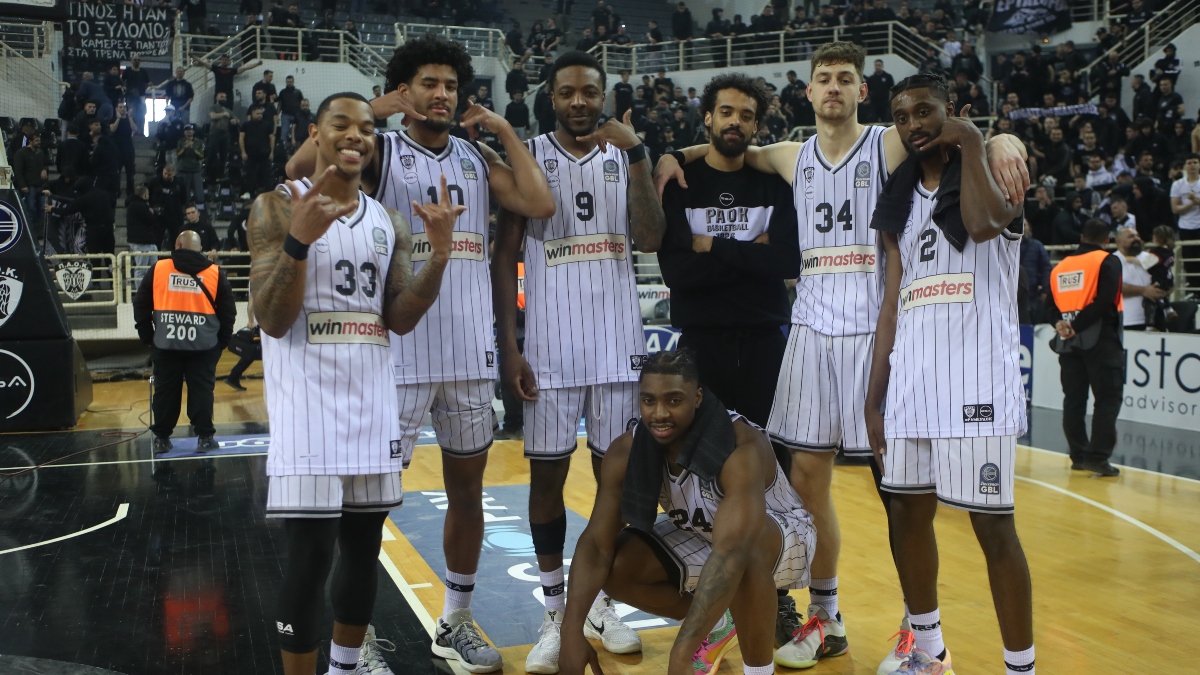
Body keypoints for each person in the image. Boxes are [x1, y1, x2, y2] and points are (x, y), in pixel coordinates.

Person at [655, 42, 1029, 671]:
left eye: (845, 78)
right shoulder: (790, 155)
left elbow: (943, 131)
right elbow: (727, 148)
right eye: (824, 78)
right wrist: (673, 156)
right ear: (808, 91)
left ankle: (918, 630)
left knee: (900, 495)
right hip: (810, 331)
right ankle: (826, 615)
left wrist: (1001, 141)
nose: (833, 86)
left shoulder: (888, 142)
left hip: (877, 331)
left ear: (862, 91)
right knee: (805, 482)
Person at [285, 34, 555, 674]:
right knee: (366, 511)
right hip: (395, 355)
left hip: (467, 355)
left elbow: (538, 201)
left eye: (451, 86)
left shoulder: (476, 156)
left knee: (468, 492)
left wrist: (504, 130)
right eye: (429, 83)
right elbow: (300, 171)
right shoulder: (377, 150)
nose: (442, 95)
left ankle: (455, 619)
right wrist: (369, 111)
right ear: (404, 91)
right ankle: (357, 635)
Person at [249, 91, 462, 675]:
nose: (355, 136)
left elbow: (398, 317)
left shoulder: (388, 221)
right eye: (341, 124)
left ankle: (345, 667)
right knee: (310, 557)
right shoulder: (276, 205)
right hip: (307, 410)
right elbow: (272, 319)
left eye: (367, 128)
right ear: (314, 135)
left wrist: (439, 258)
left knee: (364, 552)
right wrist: (298, 241)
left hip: (372, 407)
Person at [491, 50, 665, 674]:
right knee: (546, 482)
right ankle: (553, 611)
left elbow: (651, 237)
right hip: (549, 352)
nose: (579, 102)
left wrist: (640, 153)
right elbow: (504, 254)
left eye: (589, 91)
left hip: (619, 351)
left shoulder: (626, 155)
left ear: (604, 95)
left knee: (614, 484)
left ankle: (598, 604)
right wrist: (510, 346)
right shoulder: (530, 156)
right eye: (567, 92)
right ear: (551, 97)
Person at [864, 73, 1035, 675]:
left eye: (925, 111)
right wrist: (874, 399)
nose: (913, 124)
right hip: (912, 384)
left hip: (977, 382)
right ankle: (929, 650)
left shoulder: (996, 173)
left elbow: (986, 224)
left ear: (952, 110)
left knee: (993, 527)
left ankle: (1020, 667)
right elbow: (891, 305)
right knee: (907, 515)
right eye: (902, 116)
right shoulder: (900, 201)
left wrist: (973, 138)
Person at [557, 349, 815, 675]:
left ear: (697, 398)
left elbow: (733, 551)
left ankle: (759, 671)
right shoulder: (627, 450)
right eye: (648, 401)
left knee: (744, 553)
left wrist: (683, 652)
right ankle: (719, 622)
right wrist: (570, 631)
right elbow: (596, 543)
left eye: (674, 400)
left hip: (782, 536)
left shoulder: (739, 446)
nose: (659, 413)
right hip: (705, 530)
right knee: (618, 566)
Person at [658, 72, 799, 433]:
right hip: (700, 343)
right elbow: (678, 273)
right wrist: (754, 253)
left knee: (771, 455)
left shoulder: (777, 184)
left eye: (746, 116)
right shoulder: (680, 185)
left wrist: (714, 245)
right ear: (708, 117)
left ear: (755, 127)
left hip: (765, 342)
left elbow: (786, 261)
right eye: (726, 112)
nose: (736, 121)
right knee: (700, 452)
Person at [134, 230, 236, 455]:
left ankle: (161, 439)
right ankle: (205, 438)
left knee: (165, 391)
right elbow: (228, 312)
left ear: (177, 245)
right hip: (204, 346)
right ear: (200, 249)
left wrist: (148, 336)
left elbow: (140, 303)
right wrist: (221, 342)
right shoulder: (215, 273)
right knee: (202, 391)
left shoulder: (159, 268)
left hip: (166, 343)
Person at [1049, 218, 1125, 476]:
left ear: (1081, 238)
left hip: (1067, 342)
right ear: (1107, 240)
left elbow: (1049, 305)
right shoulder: (1108, 260)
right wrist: (1077, 325)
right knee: (1107, 398)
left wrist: (1061, 325)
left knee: (1073, 400)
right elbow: (1105, 300)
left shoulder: (1060, 266)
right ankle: (1098, 457)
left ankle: (1079, 455)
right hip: (1100, 338)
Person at [1114, 226, 1165, 331]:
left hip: (1156, 318)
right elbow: (1113, 287)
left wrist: (1164, 290)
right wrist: (1144, 291)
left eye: (1137, 236)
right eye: (1131, 236)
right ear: (1119, 242)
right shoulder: (1112, 260)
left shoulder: (1150, 257)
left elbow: (1167, 278)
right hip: (1128, 319)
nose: (1136, 238)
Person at [1170, 153, 1200, 284]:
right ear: (1185, 167)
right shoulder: (1178, 185)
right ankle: (1192, 287)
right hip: (1185, 226)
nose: (1192, 165)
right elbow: (1175, 208)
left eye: (1195, 162)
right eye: (1189, 163)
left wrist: (1195, 200)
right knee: (1188, 260)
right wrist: (1191, 204)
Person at [1139, 225, 1176, 330]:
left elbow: (1146, 264)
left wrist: (1133, 259)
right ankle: (1169, 309)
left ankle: (1150, 324)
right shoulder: (1170, 251)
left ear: (1155, 237)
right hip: (1168, 279)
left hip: (1159, 279)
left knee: (1150, 298)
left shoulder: (1156, 252)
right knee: (1162, 294)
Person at [193, 52, 262, 104]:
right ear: (221, 60)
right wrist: (193, 56)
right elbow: (204, 63)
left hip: (229, 94)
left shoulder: (231, 70)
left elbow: (245, 68)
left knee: (228, 112)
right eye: (223, 59)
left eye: (226, 60)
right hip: (218, 93)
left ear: (228, 61)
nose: (224, 61)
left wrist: (257, 64)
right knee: (217, 110)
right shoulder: (216, 68)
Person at [148, 164, 190, 246]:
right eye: (165, 173)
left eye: (169, 174)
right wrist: (150, 207)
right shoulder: (155, 181)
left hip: (174, 215)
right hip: (158, 216)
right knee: (156, 239)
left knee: (176, 239)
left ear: (174, 174)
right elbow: (148, 194)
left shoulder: (180, 184)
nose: (166, 176)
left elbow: (184, 199)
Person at [126, 185, 160, 284]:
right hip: (141, 241)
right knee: (142, 269)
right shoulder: (140, 206)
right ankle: (141, 291)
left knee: (152, 268)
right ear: (145, 195)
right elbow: (150, 220)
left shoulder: (132, 205)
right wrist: (153, 213)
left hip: (145, 240)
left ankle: (148, 290)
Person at [12, 132, 49, 220]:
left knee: (42, 208)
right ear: (30, 141)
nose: (39, 142)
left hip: (41, 185)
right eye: (36, 141)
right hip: (29, 186)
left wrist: (45, 169)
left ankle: (40, 225)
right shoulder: (21, 153)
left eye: (39, 140)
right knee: (30, 208)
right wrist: (22, 185)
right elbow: (18, 170)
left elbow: (45, 164)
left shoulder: (40, 152)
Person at [240, 105, 276, 196]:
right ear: (252, 114)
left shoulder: (267, 125)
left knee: (267, 175)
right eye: (257, 113)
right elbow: (241, 138)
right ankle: (249, 193)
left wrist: (272, 152)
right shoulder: (246, 125)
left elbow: (272, 138)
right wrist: (243, 152)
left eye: (261, 114)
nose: (260, 115)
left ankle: (268, 194)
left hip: (264, 154)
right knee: (250, 175)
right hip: (250, 155)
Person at [1020, 220, 1051, 323]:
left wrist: (1046, 290)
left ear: (1029, 227)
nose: (1022, 227)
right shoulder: (1006, 246)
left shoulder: (1037, 246)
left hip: (1033, 294)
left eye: (1024, 225)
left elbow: (1046, 268)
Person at [109, 101, 137, 202]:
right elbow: (112, 129)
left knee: (130, 172)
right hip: (117, 149)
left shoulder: (129, 119)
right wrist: (118, 118)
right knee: (117, 172)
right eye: (120, 107)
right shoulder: (113, 119)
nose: (122, 109)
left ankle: (130, 192)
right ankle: (116, 191)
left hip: (128, 148)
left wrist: (129, 117)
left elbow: (135, 129)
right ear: (116, 109)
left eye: (124, 107)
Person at [208, 91, 237, 184]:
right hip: (214, 134)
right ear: (217, 98)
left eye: (225, 97)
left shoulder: (228, 110)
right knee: (212, 154)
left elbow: (236, 119)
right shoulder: (213, 107)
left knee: (224, 156)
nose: (224, 98)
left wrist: (234, 120)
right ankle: (209, 175)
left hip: (225, 135)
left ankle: (221, 175)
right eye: (221, 97)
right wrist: (223, 114)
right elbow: (212, 116)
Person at [176, 124, 207, 210]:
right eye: (186, 130)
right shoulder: (181, 142)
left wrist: (192, 147)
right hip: (184, 170)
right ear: (184, 132)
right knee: (185, 193)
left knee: (199, 193)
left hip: (196, 170)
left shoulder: (199, 142)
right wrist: (185, 147)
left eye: (190, 130)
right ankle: (186, 210)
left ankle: (200, 210)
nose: (188, 131)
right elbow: (178, 154)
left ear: (193, 131)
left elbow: (201, 156)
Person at [124, 55, 152, 135]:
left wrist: (150, 84)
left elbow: (148, 82)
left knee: (142, 114)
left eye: (138, 60)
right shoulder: (127, 71)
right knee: (131, 114)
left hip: (141, 95)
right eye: (135, 60)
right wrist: (124, 87)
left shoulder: (143, 71)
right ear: (131, 61)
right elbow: (122, 81)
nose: (137, 61)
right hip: (130, 96)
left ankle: (140, 132)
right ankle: (132, 132)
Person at [278, 75, 304, 149]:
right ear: (286, 82)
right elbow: (280, 104)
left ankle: (298, 149)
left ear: (293, 82)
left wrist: (301, 114)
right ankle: (283, 149)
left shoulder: (298, 92)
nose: (289, 83)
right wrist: (277, 115)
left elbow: (302, 103)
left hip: (296, 115)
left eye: (291, 81)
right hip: (285, 115)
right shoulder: (282, 92)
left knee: (297, 133)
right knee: (284, 132)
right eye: (288, 82)